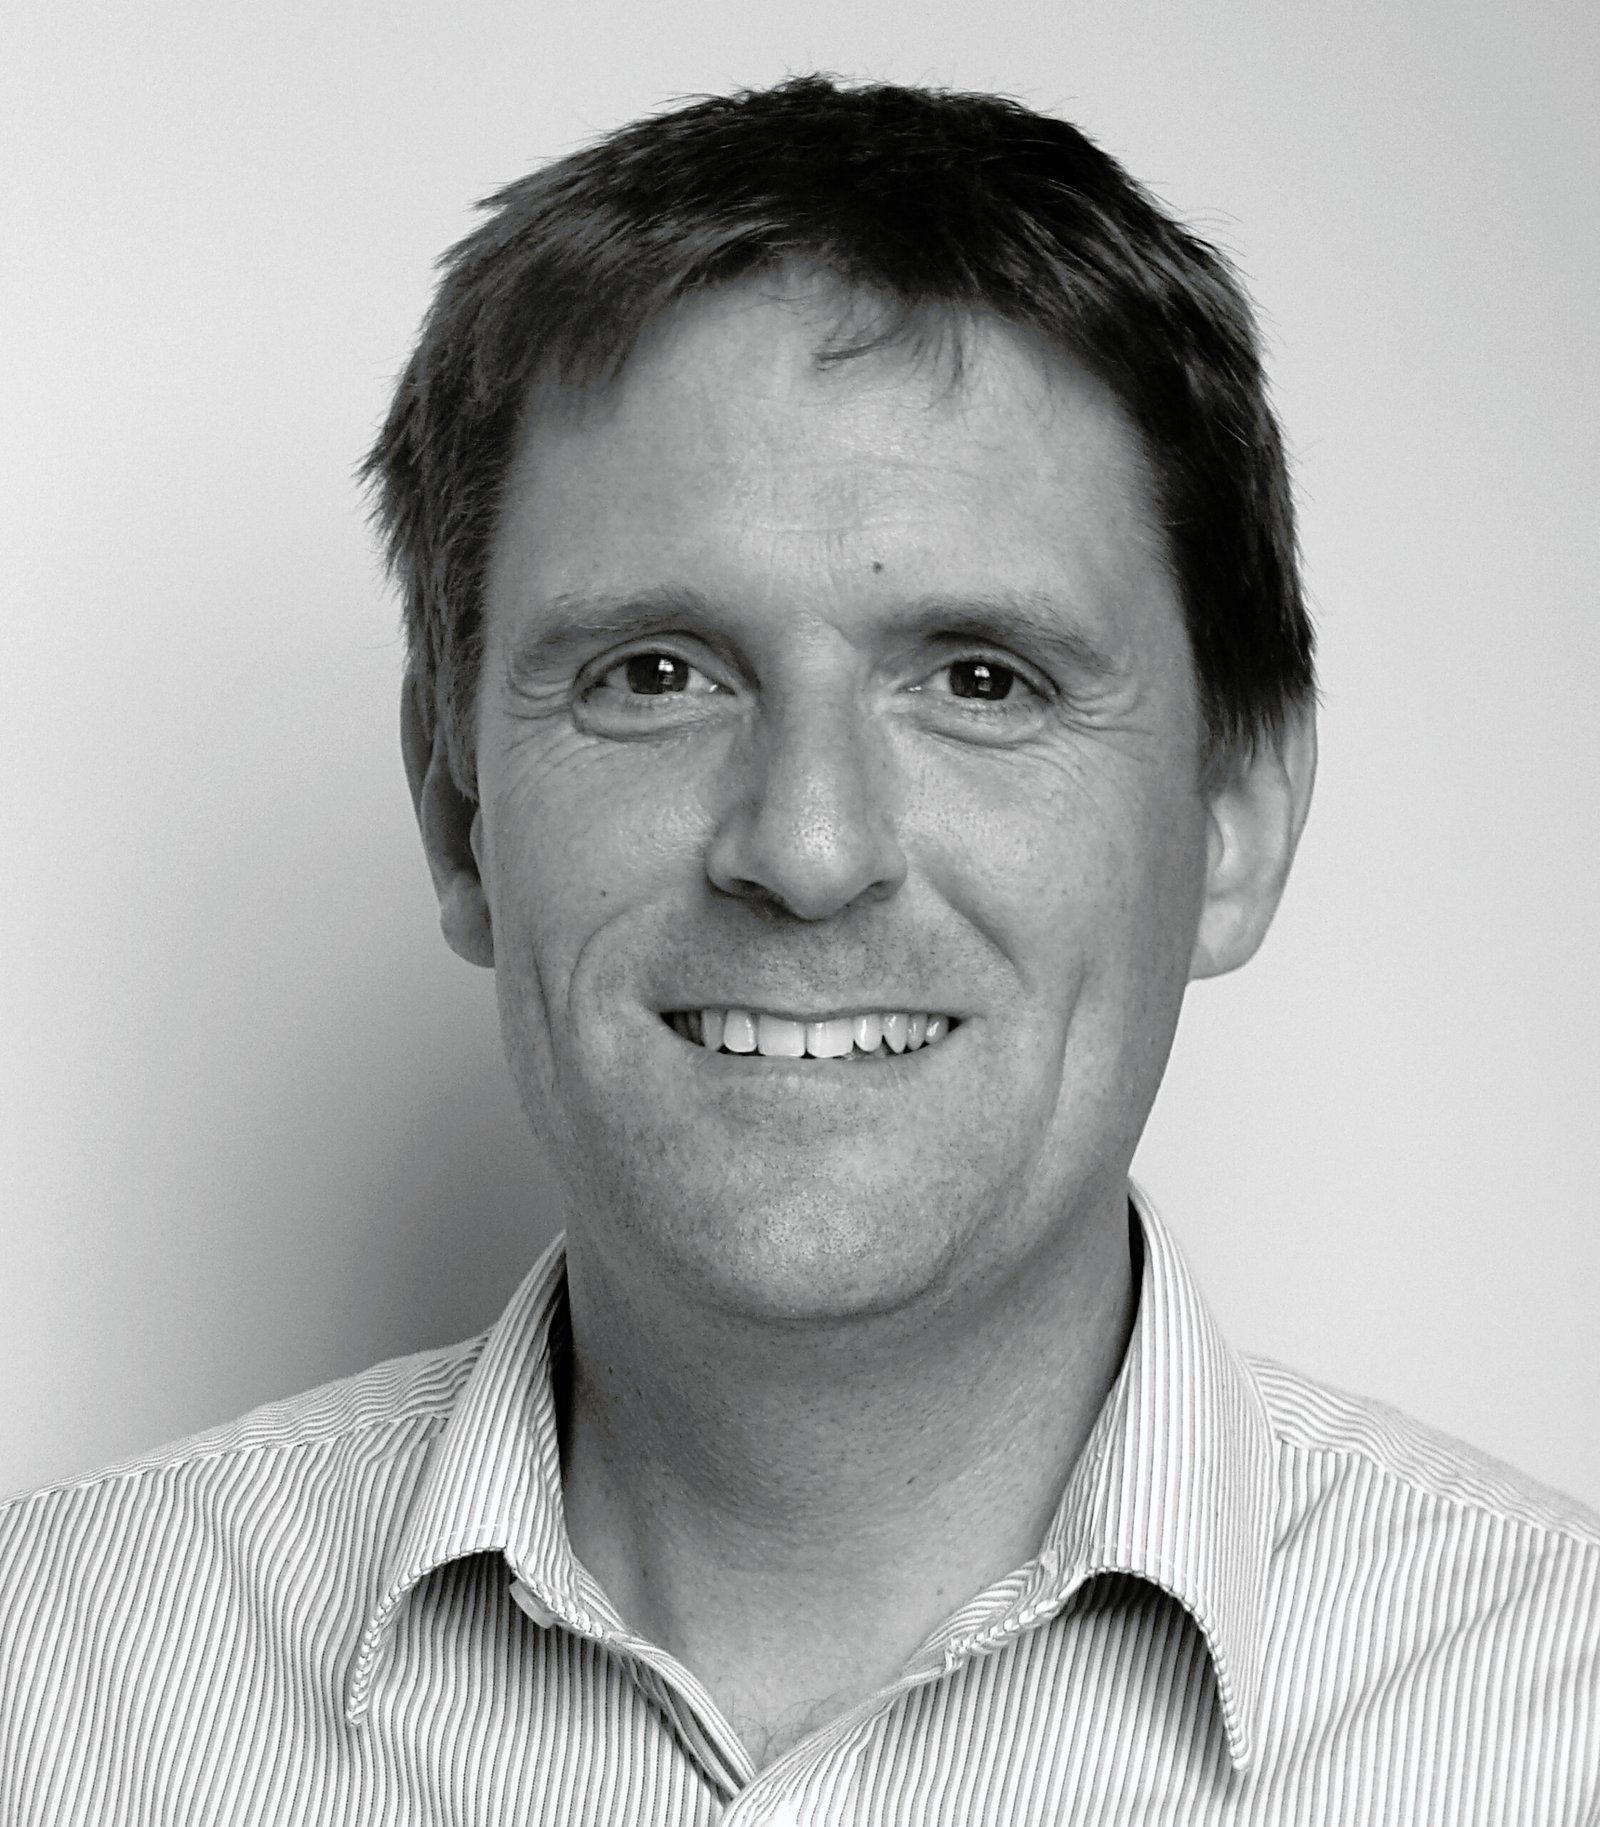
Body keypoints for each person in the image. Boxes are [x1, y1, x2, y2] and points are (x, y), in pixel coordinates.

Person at [1, 74, 1595, 1826]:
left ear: (1235, 819)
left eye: (982, 679)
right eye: (656, 674)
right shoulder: (47, 1678)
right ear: (461, 814)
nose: (809, 847)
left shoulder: (1556, 1713)